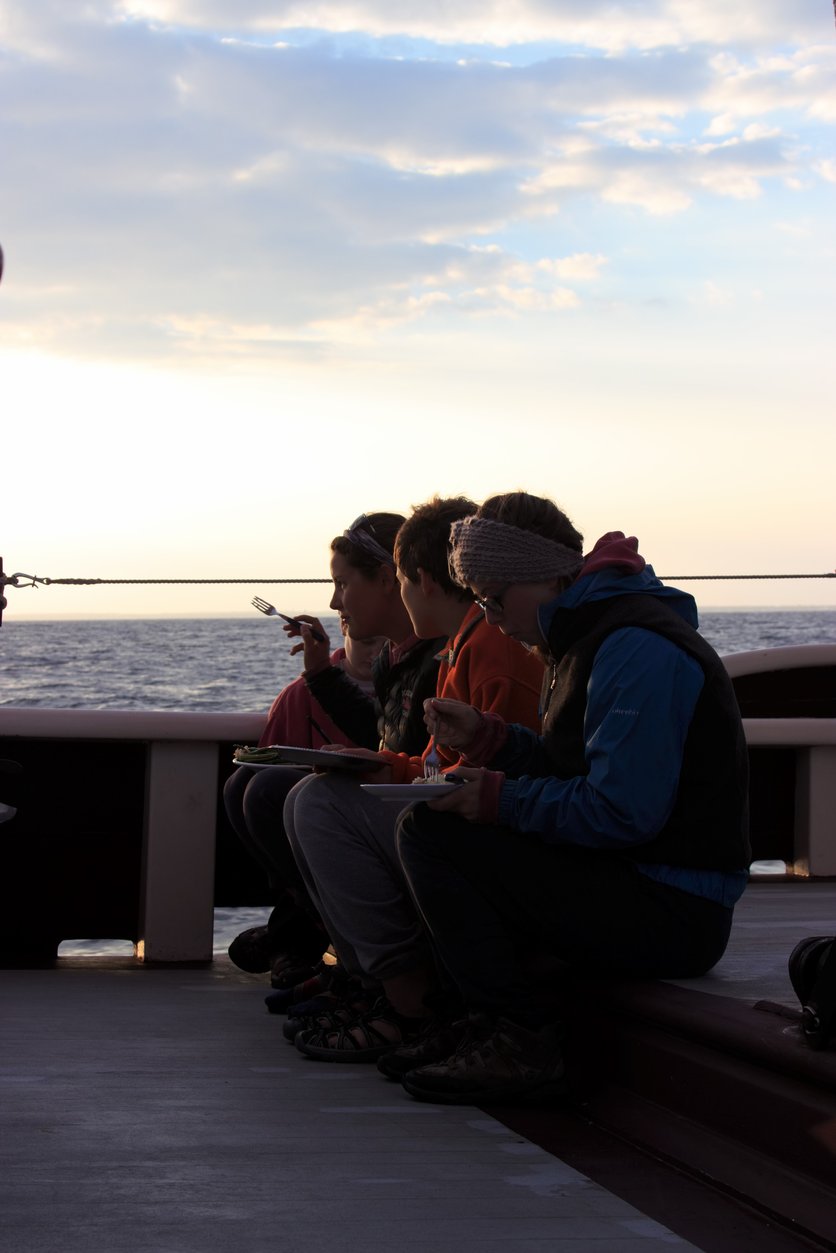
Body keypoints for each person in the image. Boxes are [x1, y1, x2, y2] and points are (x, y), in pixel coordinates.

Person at [388, 491, 750, 1105]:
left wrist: (499, 800)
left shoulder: (636, 647)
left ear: (546, 575)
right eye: (477, 598)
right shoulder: (585, 635)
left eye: (494, 596)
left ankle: (520, 1036)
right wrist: (491, 740)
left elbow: (621, 812)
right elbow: (570, 768)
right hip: (638, 884)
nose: (490, 614)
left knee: (433, 834)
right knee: (434, 821)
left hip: (676, 911)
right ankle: (479, 1019)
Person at [282, 496, 546, 1059]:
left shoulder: (491, 649)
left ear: (421, 580)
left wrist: (393, 769)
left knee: (319, 806)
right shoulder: (458, 648)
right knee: (307, 792)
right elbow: (436, 763)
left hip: (494, 836)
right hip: (466, 817)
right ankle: (372, 982)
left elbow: (505, 768)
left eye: (400, 581)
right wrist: (381, 762)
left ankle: (408, 1004)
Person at [225, 511, 444, 986]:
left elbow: (427, 759)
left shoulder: (439, 654)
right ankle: (340, 946)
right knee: (245, 784)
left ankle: (382, 976)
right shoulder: (394, 656)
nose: (333, 600)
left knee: (275, 794)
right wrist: (321, 668)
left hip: (423, 812)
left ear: (388, 580)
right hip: (398, 793)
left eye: (343, 584)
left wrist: (379, 762)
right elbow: (382, 735)